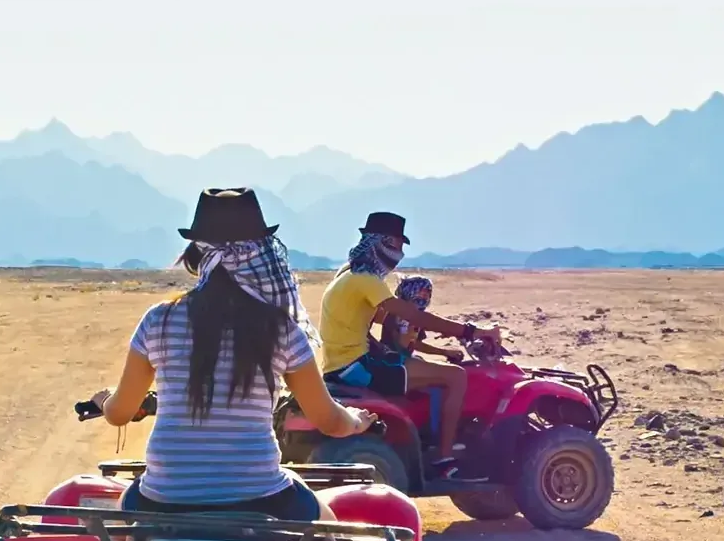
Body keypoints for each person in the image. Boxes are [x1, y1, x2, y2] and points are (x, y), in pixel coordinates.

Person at [89, 188, 378, 518]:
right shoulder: (281, 329)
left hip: (163, 499)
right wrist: (355, 421)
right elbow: (328, 420)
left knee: (123, 534)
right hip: (261, 497)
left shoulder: (158, 320)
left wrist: (105, 401)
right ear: (262, 253)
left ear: (196, 255)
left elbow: (119, 413)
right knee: (330, 527)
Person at [316, 214, 502, 458]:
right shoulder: (366, 280)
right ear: (384, 243)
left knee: (425, 370)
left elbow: (380, 319)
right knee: (456, 377)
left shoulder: (347, 274)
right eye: (398, 245)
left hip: (340, 365)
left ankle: (426, 439)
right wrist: (472, 331)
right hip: (357, 367)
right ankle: (445, 458)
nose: (400, 253)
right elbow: (414, 317)